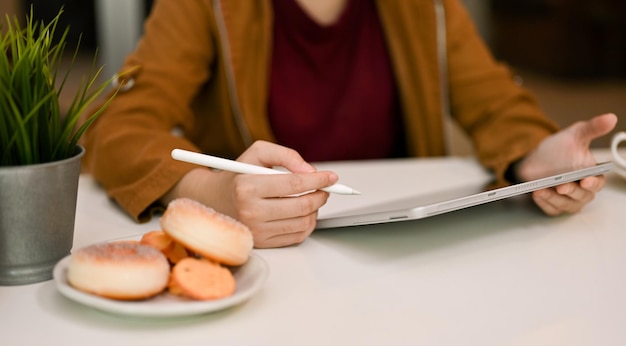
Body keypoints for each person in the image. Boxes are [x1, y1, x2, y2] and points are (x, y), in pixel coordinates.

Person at [83, 0, 617, 248]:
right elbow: (119, 126)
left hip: (406, 254)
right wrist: (212, 191)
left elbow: (498, 104)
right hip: (269, 259)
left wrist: (534, 156)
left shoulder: (426, 7)